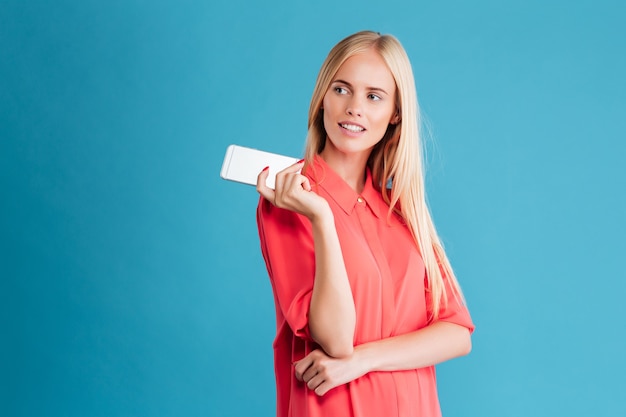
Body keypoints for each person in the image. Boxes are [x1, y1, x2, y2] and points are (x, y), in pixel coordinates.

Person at [255, 30, 474, 417]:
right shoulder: (290, 198)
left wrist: (364, 360)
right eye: (342, 89)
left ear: (395, 114)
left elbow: (456, 334)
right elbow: (335, 339)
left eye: (374, 96)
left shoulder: (401, 208)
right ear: (323, 96)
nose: (354, 107)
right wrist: (322, 218)